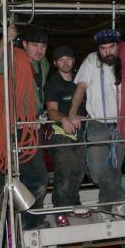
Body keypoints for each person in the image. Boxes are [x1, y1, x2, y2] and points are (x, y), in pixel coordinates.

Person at [69, 29, 125, 212]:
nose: (107, 52)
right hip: (96, 125)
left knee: (114, 169)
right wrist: (72, 113)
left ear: (118, 46)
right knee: (95, 170)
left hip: (121, 124)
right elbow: (81, 88)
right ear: (98, 49)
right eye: (103, 48)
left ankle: (107, 208)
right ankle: (119, 195)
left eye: (111, 47)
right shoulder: (90, 61)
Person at [0, 25, 50, 230]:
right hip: (18, 129)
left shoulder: (44, 65)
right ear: (24, 45)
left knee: (32, 177)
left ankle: (30, 219)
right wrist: (5, 38)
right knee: (37, 178)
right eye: (34, 45)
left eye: (43, 46)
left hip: (33, 127)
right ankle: (29, 224)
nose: (39, 50)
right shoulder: (13, 58)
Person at [44, 46, 86, 227]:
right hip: (60, 134)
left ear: (74, 60)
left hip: (80, 133)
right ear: (55, 63)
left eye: (68, 58)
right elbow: (51, 111)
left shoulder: (81, 81)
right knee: (64, 172)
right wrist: (65, 119)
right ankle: (59, 210)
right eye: (61, 59)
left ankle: (73, 204)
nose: (65, 62)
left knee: (79, 170)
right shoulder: (53, 83)